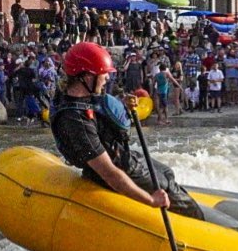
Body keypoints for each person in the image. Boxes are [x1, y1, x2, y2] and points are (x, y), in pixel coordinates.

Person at [50, 41, 203, 219]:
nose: (107, 78)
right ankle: (197, 221)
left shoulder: (75, 95)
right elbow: (109, 173)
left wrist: (123, 104)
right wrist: (151, 200)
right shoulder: (76, 122)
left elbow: (100, 108)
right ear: (87, 76)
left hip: (121, 154)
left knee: (167, 172)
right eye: (103, 74)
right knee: (169, 187)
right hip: (118, 168)